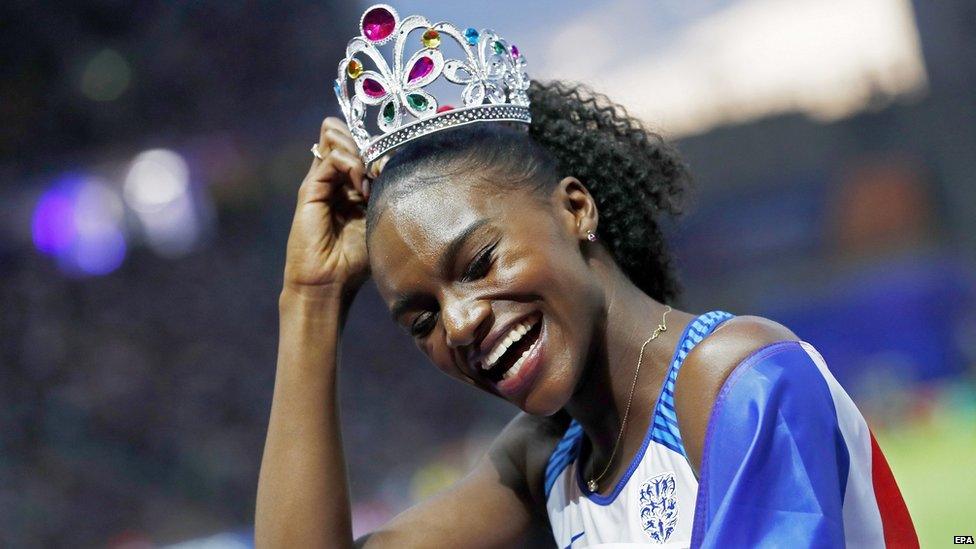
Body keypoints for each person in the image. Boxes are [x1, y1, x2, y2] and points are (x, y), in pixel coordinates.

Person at [256, 5, 917, 547]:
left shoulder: (740, 380)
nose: (458, 322)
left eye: (481, 262)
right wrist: (309, 301)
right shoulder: (546, 463)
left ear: (575, 208)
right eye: (422, 319)